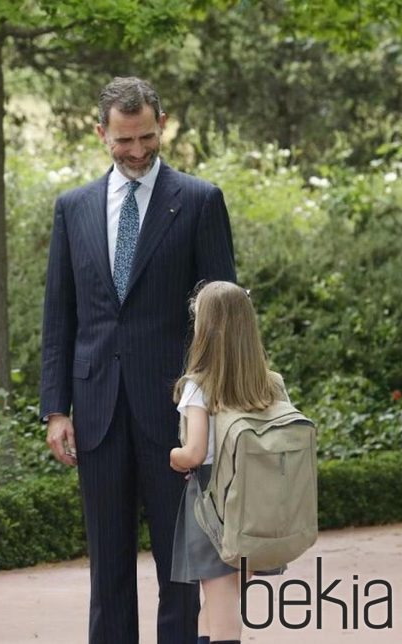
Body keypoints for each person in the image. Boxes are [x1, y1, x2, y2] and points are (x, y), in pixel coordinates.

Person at [40, 76, 237, 644]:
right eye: (124, 140)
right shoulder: (72, 208)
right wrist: (56, 408)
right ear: (100, 131)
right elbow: (59, 317)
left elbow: (222, 317)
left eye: (147, 137)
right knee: (107, 565)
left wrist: (213, 403)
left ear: (163, 123)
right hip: (97, 408)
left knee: (182, 564)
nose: (137, 151)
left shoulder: (199, 201)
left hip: (179, 412)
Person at [169, 281, 288, 644]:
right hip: (256, 499)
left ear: (205, 329)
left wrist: (173, 456)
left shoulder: (199, 385)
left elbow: (193, 451)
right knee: (221, 602)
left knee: (221, 616)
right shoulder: (270, 384)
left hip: (212, 498)